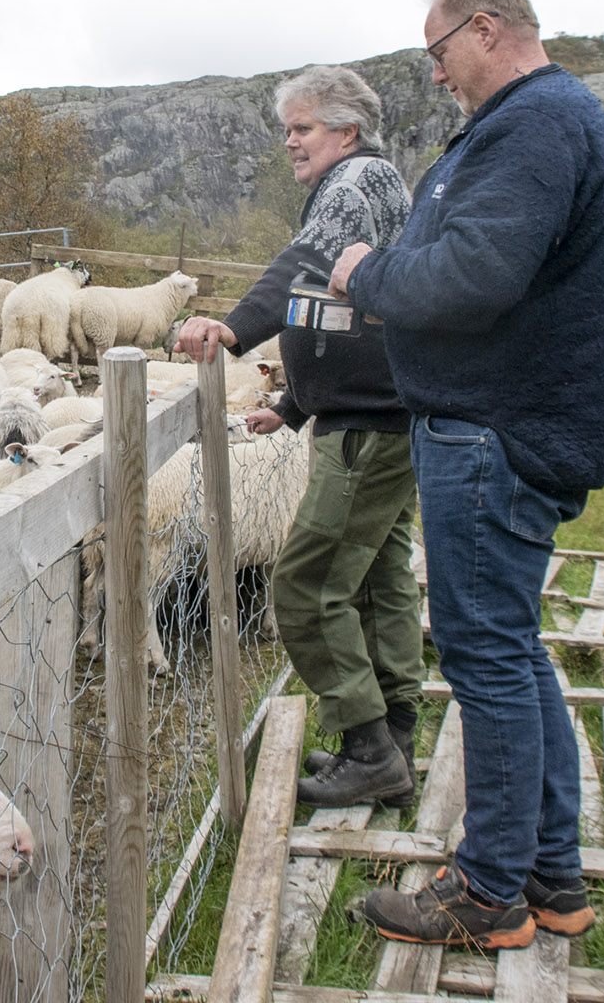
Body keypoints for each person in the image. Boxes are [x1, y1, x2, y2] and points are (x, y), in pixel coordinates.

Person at [328, 0, 604, 950]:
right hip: (500, 426)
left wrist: (370, 272)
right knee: (510, 644)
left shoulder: (534, 123)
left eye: (438, 51)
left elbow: (477, 272)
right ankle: (550, 872)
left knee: (487, 652)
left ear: (485, 27)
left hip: (491, 432)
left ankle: (487, 889)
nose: (437, 74)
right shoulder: (539, 121)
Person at [177, 64, 422, 810]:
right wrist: (293, 403)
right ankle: (394, 738)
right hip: (375, 414)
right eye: (288, 129)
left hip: (368, 429)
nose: (292, 143)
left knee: (307, 585)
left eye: (304, 128)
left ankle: (368, 749)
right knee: (379, 580)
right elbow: (333, 311)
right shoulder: (366, 185)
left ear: (346, 130)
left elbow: (305, 266)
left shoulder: (354, 184)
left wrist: (235, 325)